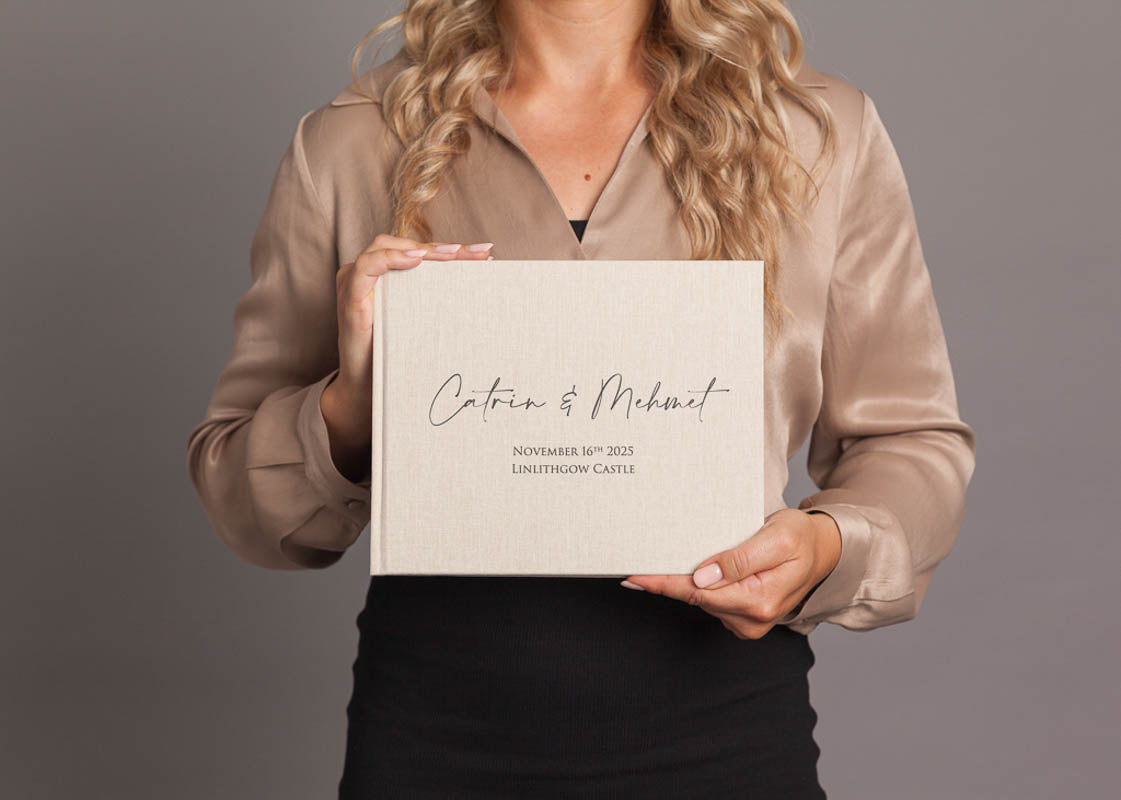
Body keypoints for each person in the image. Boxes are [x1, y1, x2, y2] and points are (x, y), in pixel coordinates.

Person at [186, 0, 977, 796]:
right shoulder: (353, 138)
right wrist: (352, 404)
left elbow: (909, 438)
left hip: (725, 728)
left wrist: (827, 547)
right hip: (435, 736)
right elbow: (246, 502)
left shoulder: (814, 132)